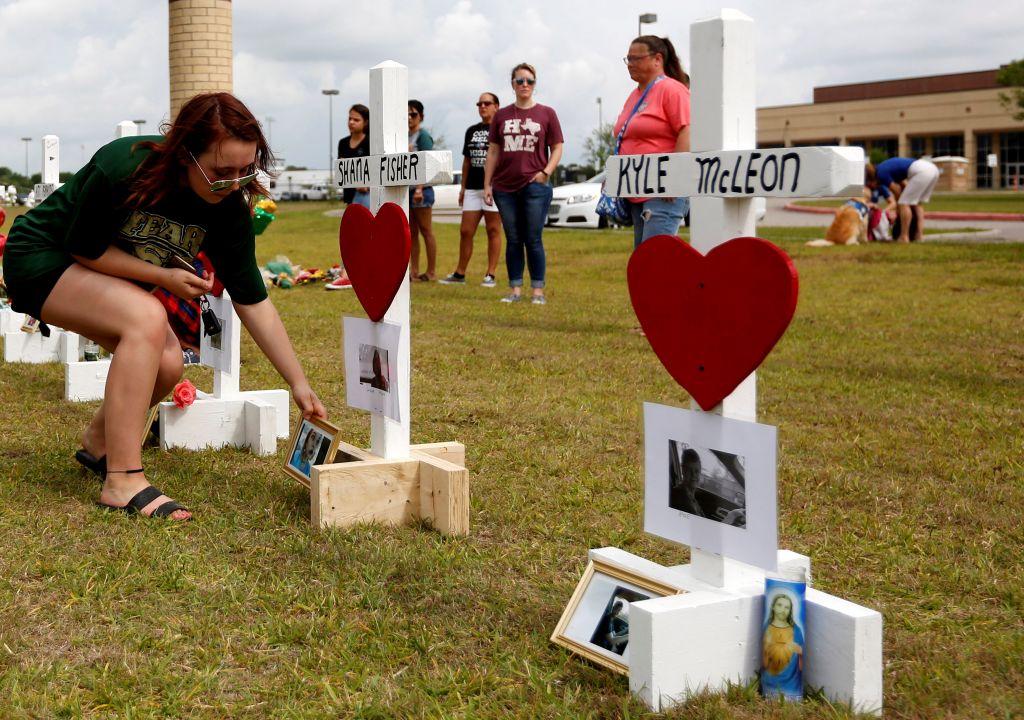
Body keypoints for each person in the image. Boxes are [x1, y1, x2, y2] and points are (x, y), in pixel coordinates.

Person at [2, 92, 326, 520]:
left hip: (97, 274)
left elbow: (253, 300)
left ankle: (100, 443)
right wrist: (163, 277)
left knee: (169, 363)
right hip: (42, 257)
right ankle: (122, 480)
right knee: (148, 316)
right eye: (219, 172)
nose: (232, 183)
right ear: (184, 154)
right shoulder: (126, 166)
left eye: (245, 171)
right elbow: (84, 247)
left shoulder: (228, 208)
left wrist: (298, 383)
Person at [484, 63, 563, 305]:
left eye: (529, 81)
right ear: (513, 85)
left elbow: (557, 146)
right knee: (514, 238)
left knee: (533, 238)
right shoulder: (502, 115)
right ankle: (515, 289)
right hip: (504, 187)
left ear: (535, 84)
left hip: (535, 186)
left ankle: (537, 291)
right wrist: (487, 185)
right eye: (520, 81)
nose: (525, 85)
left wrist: (546, 172)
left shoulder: (546, 113)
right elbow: (493, 151)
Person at [615, 35, 691, 248]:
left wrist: (674, 179)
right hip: (637, 193)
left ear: (657, 59)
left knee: (655, 263)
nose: (630, 65)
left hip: (663, 193)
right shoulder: (634, 95)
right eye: (628, 59)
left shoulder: (672, 90)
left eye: (636, 59)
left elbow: (687, 131)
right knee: (643, 262)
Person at [439, 92, 504, 288]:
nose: (482, 106)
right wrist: (462, 187)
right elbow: (467, 160)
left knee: (493, 230)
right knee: (466, 231)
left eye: (487, 103)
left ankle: (490, 274)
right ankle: (460, 273)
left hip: (493, 187)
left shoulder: (501, 128)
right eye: (479, 103)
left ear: (496, 106)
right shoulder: (471, 131)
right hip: (473, 188)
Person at [327, 104, 371, 291]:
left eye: (356, 119)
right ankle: (348, 272)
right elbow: (343, 171)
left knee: (363, 235)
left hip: (367, 196)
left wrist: (365, 182)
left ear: (366, 122)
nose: (351, 123)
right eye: (349, 118)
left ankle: (352, 274)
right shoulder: (343, 143)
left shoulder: (371, 142)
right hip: (351, 195)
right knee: (350, 235)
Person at [865, 157, 939, 243]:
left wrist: (899, 211)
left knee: (904, 203)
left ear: (872, 179)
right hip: (932, 169)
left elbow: (898, 193)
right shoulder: (884, 167)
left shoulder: (881, 174)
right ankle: (919, 236)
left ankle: (904, 236)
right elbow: (903, 186)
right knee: (917, 204)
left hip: (921, 171)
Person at [407, 100, 437, 282]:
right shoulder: (403, 136)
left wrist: (419, 189)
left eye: (413, 114)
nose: (410, 118)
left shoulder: (423, 136)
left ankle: (431, 271)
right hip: (407, 190)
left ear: (421, 117)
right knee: (411, 232)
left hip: (421, 190)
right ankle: (414, 271)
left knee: (426, 230)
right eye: (407, 115)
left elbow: (426, 164)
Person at [761, 593, 804, 699]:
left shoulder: (796, 630)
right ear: (773, 607)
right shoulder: (767, 628)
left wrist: (799, 651)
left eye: (787, 607)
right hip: (770, 678)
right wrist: (767, 647)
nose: (783, 609)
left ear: (790, 611)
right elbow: (764, 658)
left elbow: (801, 656)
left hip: (791, 681)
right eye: (779, 605)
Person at [669, 446, 705, 517]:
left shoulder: (690, 496)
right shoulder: (678, 497)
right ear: (683, 470)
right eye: (689, 470)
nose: (693, 475)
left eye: (697, 471)